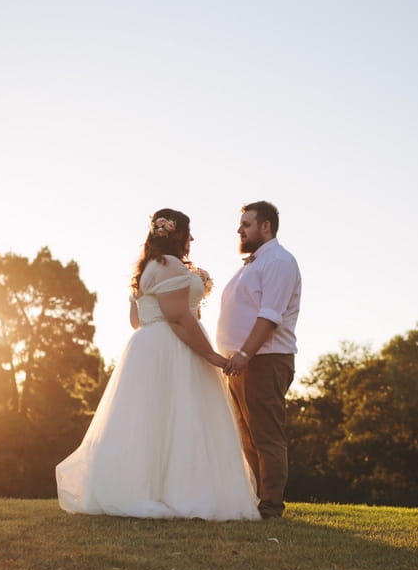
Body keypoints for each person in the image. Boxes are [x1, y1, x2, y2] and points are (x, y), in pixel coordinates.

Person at [56, 208, 260, 521]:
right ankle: (182, 493)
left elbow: (137, 320)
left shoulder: (148, 267)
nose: (192, 239)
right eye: (188, 232)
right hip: (172, 349)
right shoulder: (171, 265)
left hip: (146, 348)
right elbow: (178, 318)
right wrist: (215, 358)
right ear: (177, 234)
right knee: (182, 417)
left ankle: (151, 488)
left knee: (151, 421)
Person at [216, 201, 301, 519]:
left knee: (266, 434)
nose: (240, 230)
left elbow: (269, 317)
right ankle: (253, 500)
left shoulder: (279, 261)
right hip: (241, 362)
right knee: (247, 435)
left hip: (265, 359)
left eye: (246, 224)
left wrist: (244, 354)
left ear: (266, 226)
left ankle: (270, 507)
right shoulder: (251, 265)